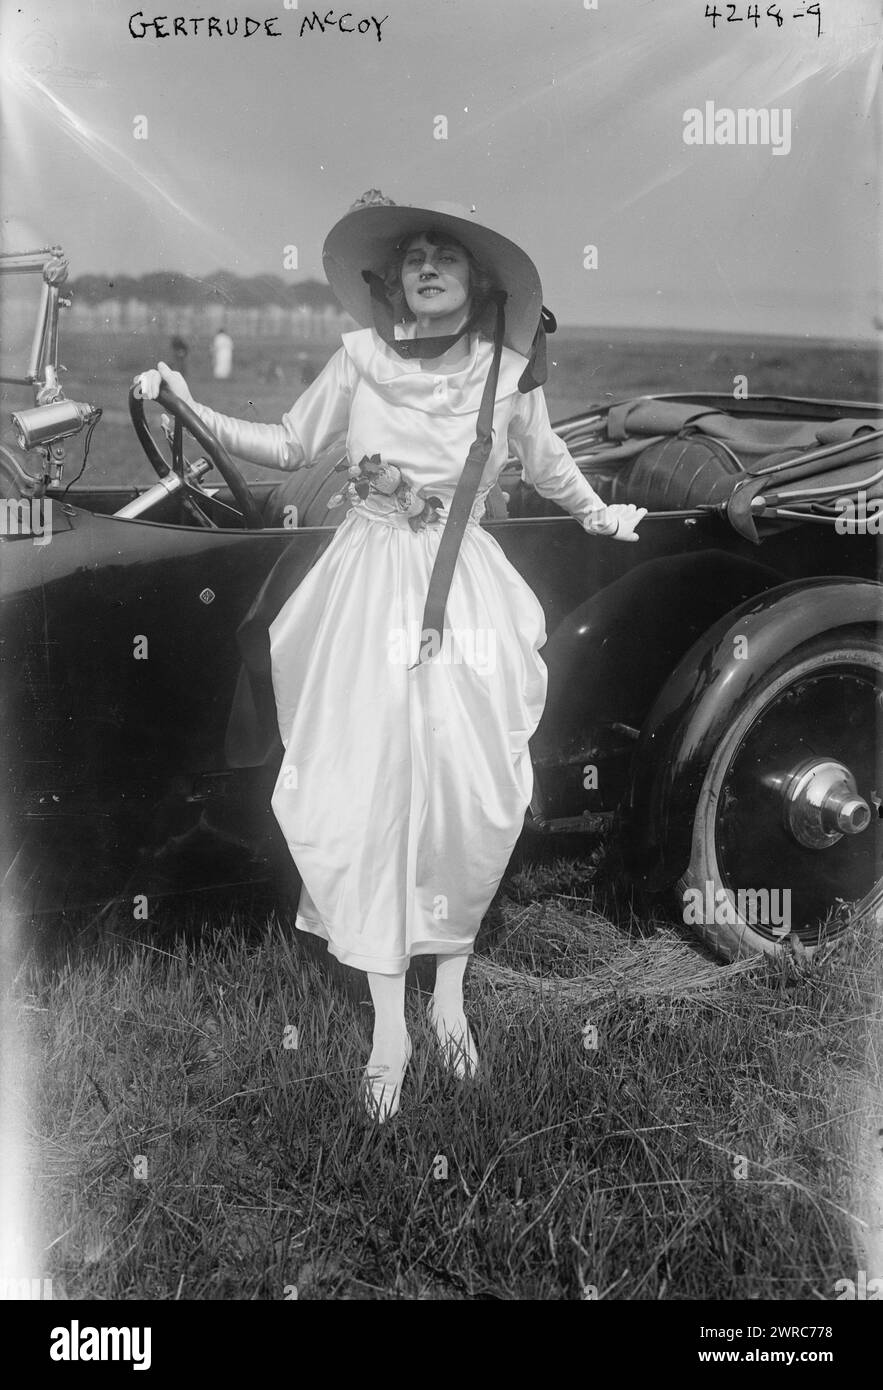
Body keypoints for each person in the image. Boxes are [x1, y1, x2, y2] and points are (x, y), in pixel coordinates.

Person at [136, 190, 646, 1123]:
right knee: (367, 782)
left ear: (480, 282)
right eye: (410, 254)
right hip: (365, 586)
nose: (424, 264)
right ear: (390, 282)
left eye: (443, 254)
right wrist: (185, 399)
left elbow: (543, 465)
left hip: (464, 596)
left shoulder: (507, 370)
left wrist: (599, 512)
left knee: (466, 783)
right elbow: (289, 444)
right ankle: (387, 1021)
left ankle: (447, 993)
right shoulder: (360, 358)